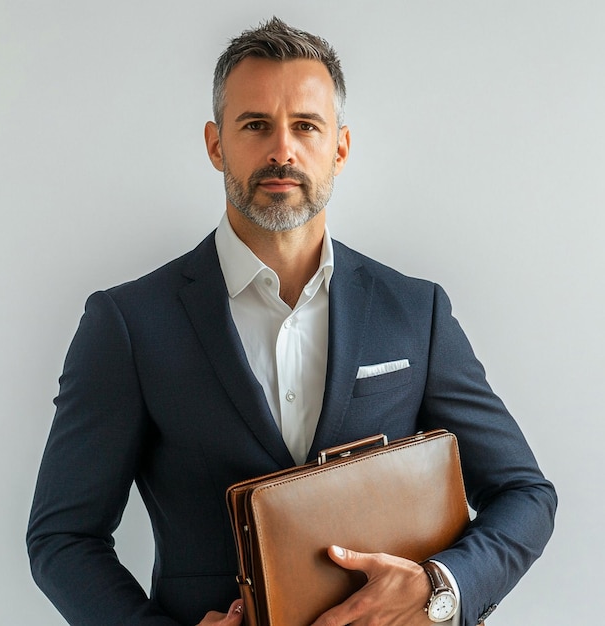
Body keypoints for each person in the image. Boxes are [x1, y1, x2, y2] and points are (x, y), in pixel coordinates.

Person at [27, 17, 556, 626]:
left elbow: (525, 494)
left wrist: (441, 591)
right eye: (256, 125)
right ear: (215, 143)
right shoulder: (126, 323)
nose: (283, 150)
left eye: (306, 126)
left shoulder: (416, 310)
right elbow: (62, 538)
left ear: (340, 147)